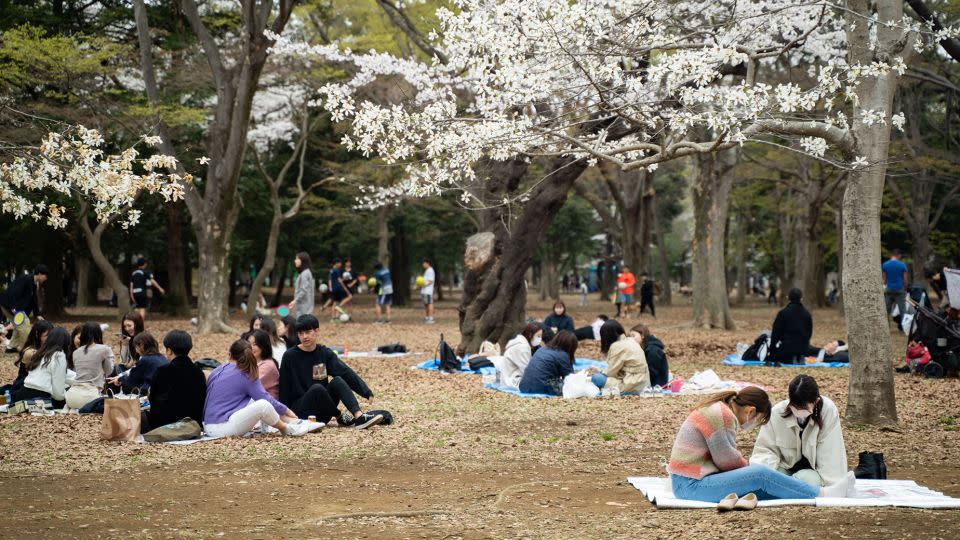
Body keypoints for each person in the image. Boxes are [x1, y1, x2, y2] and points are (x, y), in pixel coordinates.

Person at [667, 387, 856, 505]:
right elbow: (726, 461)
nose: (755, 426)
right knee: (760, 475)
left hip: (690, 482)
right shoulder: (721, 415)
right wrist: (749, 472)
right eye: (758, 421)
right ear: (751, 411)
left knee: (764, 486)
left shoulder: (720, 409)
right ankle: (823, 494)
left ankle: (809, 493)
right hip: (689, 484)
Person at [278, 315, 383, 429]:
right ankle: (339, 416)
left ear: (317, 331)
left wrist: (365, 391)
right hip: (301, 412)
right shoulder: (290, 356)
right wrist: (286, 416)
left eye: (308, 332)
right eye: (301, 333)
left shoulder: (324, 353)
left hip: (324, 413)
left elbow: (344, 372)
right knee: (316, 388)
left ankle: (359, 417)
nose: (304, 336)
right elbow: (284, 387)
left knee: (337, 380)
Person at [750, 375, 849, 488]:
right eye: (794, 407)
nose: (798, 412)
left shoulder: (828, 411)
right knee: (775, 477)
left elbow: (831, 457)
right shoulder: (777, 413)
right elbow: (764, 450)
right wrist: (768, 474)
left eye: (804, 409)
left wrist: (829, 484)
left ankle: (790, 485)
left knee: (806, 480)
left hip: (814, 474)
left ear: (816, 401)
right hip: (785, 469)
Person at [203, 340, 309, 438]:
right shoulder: (246, 373)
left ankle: (288, 422)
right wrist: (287, 410)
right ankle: (285, 428)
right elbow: (265, 399)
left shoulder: (217, 370)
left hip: (207, 425)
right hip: (222, 429)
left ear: (230, 354)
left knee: (254, 400)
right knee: (263, 404)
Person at [142, 330, 207, 433]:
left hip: (162, 425)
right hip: (192, 424)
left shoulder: (162, 371)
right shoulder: (198, 372)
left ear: (169, 350)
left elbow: (152, 399)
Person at [11, 326, 70, 408]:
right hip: (40, 398)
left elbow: (66, 374)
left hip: (22, 393)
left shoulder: (41, 352)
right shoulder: (59, 355)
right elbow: (58, 394)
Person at [590, 320, 649, 394]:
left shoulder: (617, 346)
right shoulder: (630, 340)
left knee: (596, 378)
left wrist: (600, 371)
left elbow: (611, 372)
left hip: (632, 385)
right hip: (643, 382)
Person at [65, 322, 115, 409]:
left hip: (71, 397)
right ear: (99, 334)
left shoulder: (75, 353)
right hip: (90, 398)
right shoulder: (104, 349)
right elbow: (108, 371)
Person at [0, 265, 48, 352]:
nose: (46, 278)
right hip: (8, 305)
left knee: (17, 325)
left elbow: (34, 300)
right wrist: (13, 307)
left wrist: (37, 314)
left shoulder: (33, 283)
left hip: (14, 308)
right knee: (24, 324)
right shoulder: (26, 279)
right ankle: (30, 348)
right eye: (45, 276)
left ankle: (11, 347)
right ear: (40, 274)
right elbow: (13, 291)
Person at [519, 330, 578, 396]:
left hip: (524, 386)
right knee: (574, 388)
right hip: (541, 388)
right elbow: (570, 378)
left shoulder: (542, 349)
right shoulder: (562, 355)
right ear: (571, 346)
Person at [4, 320, 53, 394]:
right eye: (47, 336)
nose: (51, 338)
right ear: (37, 334)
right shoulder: (31, 352)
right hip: (26, 384)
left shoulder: (46, 347)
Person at [768, 288, 814, 365]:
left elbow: (775, 334)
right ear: (801, 298)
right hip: (803, 351)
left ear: (788, 298)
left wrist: (772, 350)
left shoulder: (783, 313)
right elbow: (809, 333)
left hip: (786, 350)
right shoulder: (807, 314)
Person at [497, 323, 543, 388]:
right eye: (538, 336)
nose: (540, 339)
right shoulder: (523, 347)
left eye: (541, 336)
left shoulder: (522, 342)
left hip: (509, 377)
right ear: (530, 335)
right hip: (512, 381)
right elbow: (527, 370)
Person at [630, 323, 670, 388]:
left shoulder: (653, 350)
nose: (631, 339)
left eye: (633, 336)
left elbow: (651, 372)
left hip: (656, 386)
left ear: (642, 335)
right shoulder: (644, 348)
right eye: (629, 336)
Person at [247, 330, 280, 399]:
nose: (250, 347)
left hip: (266, 405)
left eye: (255, 344)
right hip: (252, 401)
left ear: (263, 346)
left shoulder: (268, 365)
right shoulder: (250, 362)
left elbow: (248, 385)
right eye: (249, 344)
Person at [882, 249, 909, 329]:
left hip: (889, 290)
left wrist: (885, 285)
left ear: (892, 255)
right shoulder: (902, 265)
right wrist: (905, 288)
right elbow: (905, 279)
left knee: (886, 310)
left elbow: (884, 278)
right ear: (899, 255)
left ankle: (886, 327)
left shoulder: (885, 265)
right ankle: (905, 327)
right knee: (903, 310)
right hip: (899, 290)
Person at [289, 251, 315, 319]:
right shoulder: (305, 273)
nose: (295, 261)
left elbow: (304, 290)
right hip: (303, 306)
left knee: (302, 326)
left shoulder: (305, 273)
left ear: (303, 261)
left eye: (297, 259)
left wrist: (295, 301)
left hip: (303, 307)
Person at [421, 258, 436, 324]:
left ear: (427, 263)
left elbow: (430, 281)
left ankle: (430, 318)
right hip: (424, 291)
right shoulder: (427, 270)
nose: (423, 265)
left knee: (429, 304)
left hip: (428, 291)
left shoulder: (430, 270)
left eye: (423, 263)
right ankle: (427, 317)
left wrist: (424, 284)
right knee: (426, 304)